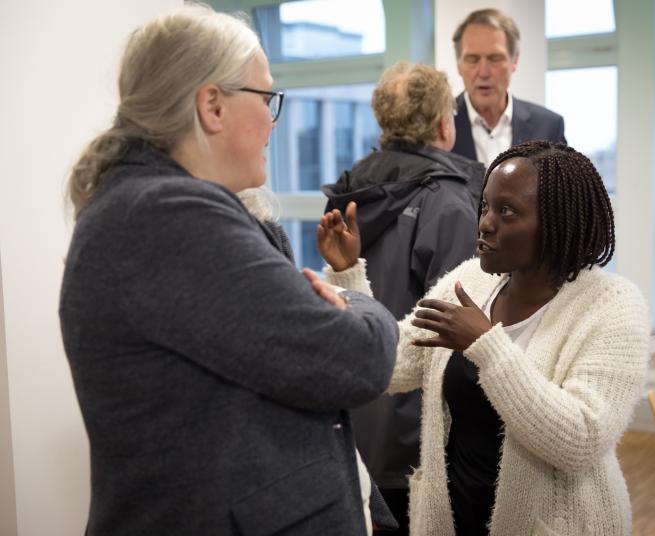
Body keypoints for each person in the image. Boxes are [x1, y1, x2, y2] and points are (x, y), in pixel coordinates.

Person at [58, 5, 399, 535]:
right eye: (266, 98)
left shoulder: (177, 207)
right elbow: (356, 359)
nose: (272, 119)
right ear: (211, 105)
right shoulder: (168, 217)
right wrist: (360, 306)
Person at [315, 140, 651, 535]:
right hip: (453, 517)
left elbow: (580, 440)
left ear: (557, 224)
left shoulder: (612, 306)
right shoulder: (469, 280)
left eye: (507, 211)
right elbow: (387, 365)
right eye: (485, 206)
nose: (486, 223)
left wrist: (487, 347)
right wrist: (349, 276)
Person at [321, 60, 484, 534]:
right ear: (443, 125)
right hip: (417, 433)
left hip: (357, 410)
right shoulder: (450, 205)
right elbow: (451, 329)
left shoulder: (349, 195)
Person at [452, 8, 566, 165]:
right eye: (472, 59)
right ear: (458, 63)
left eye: (495, 58)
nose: (483, 72)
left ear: (515, 60)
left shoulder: (548, 127)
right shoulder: (436, 128)